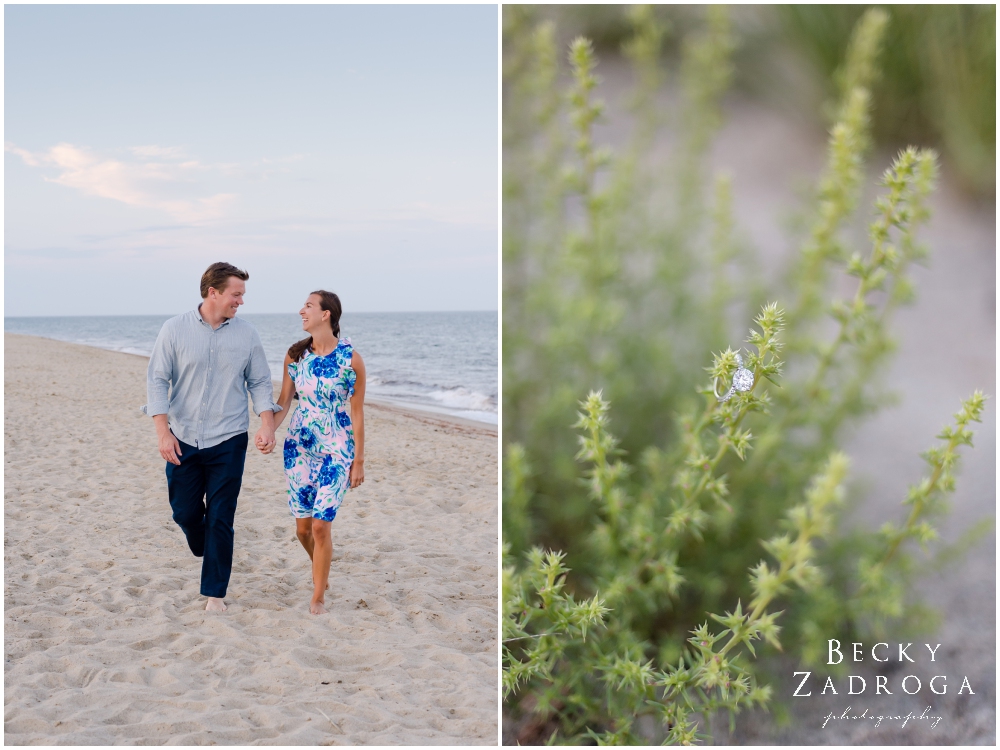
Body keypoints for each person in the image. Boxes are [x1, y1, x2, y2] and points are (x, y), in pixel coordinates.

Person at [141, 262, 279, 612]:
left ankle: (215, 594)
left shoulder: (247, 334)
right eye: (236, 294)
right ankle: (203, 542)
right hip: (183, 437)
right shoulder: (174, 329)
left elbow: (260, 382)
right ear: (213, 292)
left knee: (221, 516)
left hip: (229, 438)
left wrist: (266, 423)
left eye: (242, 295)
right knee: (185, 514)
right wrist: (162, 432)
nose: (241, 302)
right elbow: (157, 380)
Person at [262, 290, 366, 615]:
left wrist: (359, 460)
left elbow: (358, 413)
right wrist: (268, 430)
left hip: (337, 450)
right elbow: (283, 402)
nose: (301, 311)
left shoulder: (351, 360)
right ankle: (322, 569)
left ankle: (317, 596)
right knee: (303, 530)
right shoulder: (296, 356)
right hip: (299, 449)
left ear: (326, 315)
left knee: (321, 526)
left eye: (308, 306)